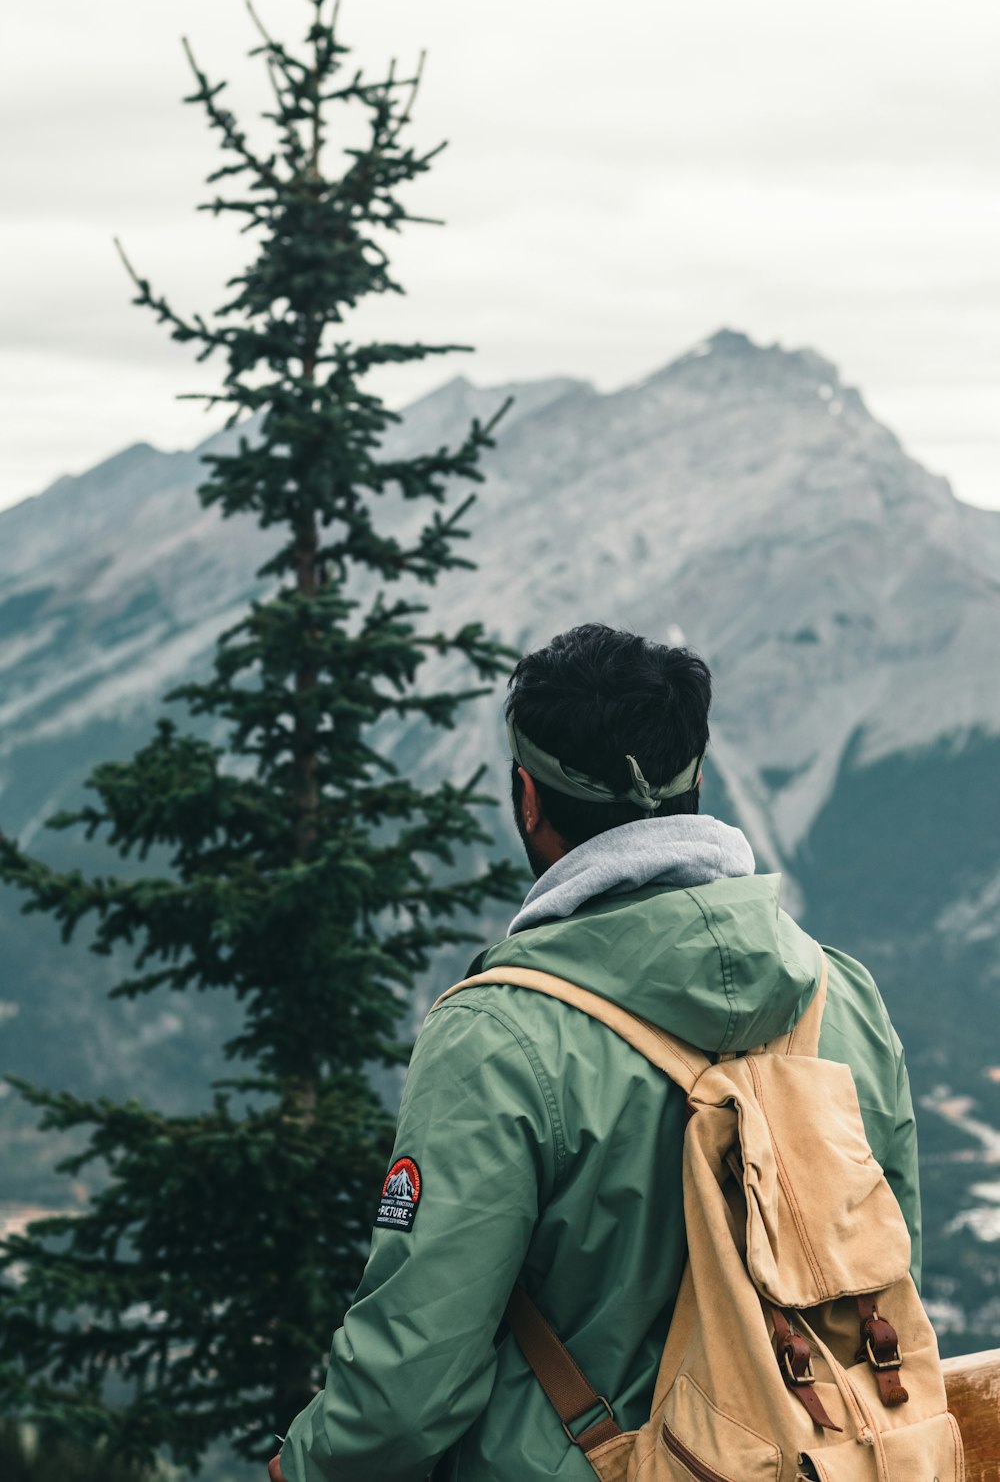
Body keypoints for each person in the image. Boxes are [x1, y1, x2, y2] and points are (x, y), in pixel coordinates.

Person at [269, 623, 920, 1482]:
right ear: (696, 783)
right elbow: (886, 1267)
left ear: (528, 799)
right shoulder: (841, 997)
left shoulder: (498, 1035)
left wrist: (303, 1468)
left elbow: (412, 1377)